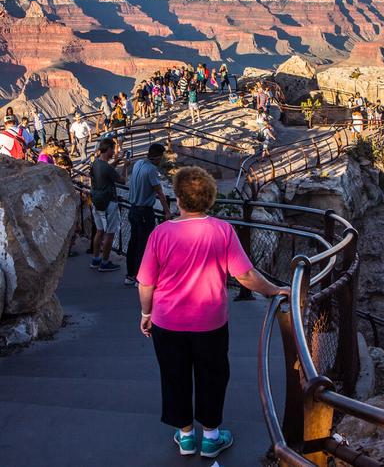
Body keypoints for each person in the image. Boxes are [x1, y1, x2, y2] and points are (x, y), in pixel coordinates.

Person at [137, 166, 289, 459]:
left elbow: (145, 282)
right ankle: (210, 437)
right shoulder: (222, 230)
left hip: (167, 321)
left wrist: (146, 313)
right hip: (209, 322)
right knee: (212, 375)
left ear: (179, 198)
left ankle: (185, 437)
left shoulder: (160, 233)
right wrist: (274, 290)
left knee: (174, 376)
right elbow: (244, 275)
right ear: (209, 198)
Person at [125, 143, 171, 286]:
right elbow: (160, 192)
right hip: (144, 211)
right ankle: (140, 277)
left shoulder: (139, 163)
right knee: (143, 245)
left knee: (133, 242)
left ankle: (130, 274)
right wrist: (167, 211)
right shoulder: (151, 170)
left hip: (133, 209)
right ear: (158, 156)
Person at [89, 137, 129, 272]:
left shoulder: (96, 163)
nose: (114, 153)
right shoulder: (105, 166)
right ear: (109, 149)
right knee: (110, 233)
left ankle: (96, 260)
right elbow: (122, 181)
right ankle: (105, 262)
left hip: (96, 201)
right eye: (113, 149)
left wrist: (117, 161)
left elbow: (106, 171)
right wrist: (125, 166)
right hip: (109, 202)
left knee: (99, 231)